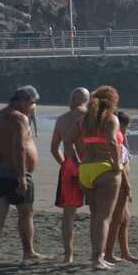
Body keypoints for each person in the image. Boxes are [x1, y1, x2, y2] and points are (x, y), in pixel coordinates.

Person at [66, 85, 123, 270]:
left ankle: (95, 256)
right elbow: (112, 142)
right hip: (104, 169)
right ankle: (97, 259)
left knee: (95, 216)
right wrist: (117, 164)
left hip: (86, 170)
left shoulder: (83, 121)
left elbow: (67, 141)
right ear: (112, 101)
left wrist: (77, 162)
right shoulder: (111, 118)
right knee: (104, 217)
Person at [0, 86, 43, 263]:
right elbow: (19, 147)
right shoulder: (19, 118)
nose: (33, 107)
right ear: (23, 101)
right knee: (26, 214)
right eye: (32, 103)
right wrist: (21, 177)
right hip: (16, 173)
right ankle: (28, 251)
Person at [50, 87, 90, 263]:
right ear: (87, 100)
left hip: (69, 166)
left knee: (69, 213)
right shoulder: (91, 117)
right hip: (90, 163)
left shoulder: (61, 120)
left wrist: (65, 163)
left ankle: (68, 255)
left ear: (71, 100)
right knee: (98, 211)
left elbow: (54, 148)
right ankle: (99, 253)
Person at [104, 111, 138, 264]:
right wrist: (127, 185)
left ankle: (125, 252)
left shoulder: (119, 140)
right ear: (119, 125)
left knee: (125, 218)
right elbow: (119, 165)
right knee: (117, 218)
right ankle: (108, 253)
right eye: (126, 127)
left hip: (121, 182)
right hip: (119, 182)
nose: (127, 130)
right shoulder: (115, 139)